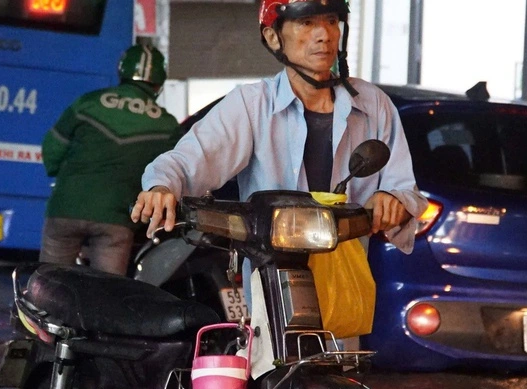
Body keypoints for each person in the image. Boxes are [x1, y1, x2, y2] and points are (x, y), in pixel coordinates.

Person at [131, 0, 425, 249]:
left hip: (349, 282)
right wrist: (161, 186)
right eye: (306, 23)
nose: (324, 34)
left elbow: (405, 190)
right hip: (273, 283)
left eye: (332, 20)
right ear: (273, 37)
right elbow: (187, 162)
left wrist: (392, 199)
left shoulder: (373, 104)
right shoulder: (251, 105)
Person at [39, 43, 181, 275]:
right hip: (116, 218)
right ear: (159, 83)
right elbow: (175, 170)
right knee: (107, 293)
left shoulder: (88, 103)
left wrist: (64, 179)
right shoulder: (167, 126)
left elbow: (52, 149)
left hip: (67, 208)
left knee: (49, 284)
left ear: (121, 71)